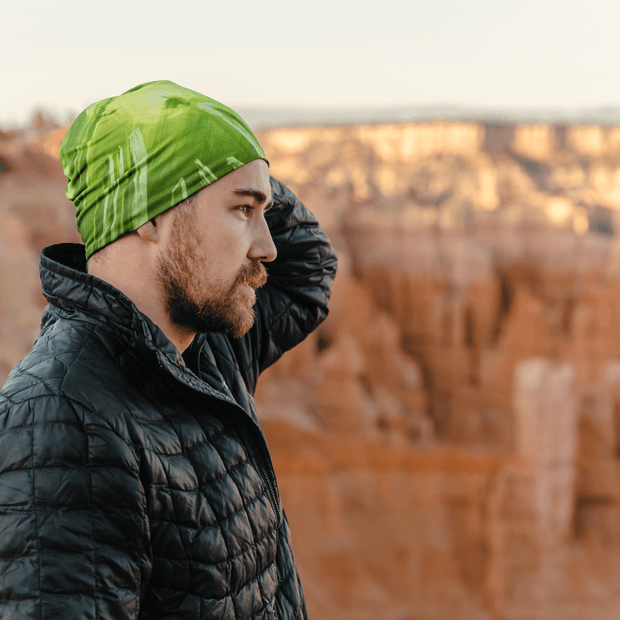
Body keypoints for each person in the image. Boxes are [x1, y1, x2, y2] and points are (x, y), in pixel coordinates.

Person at [0, 80, 337, 620]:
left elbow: (308, 273)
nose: (267, 245)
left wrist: (239, 166)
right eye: (241, 211)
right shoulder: (62, 420)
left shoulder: (205, 349)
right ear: (149, 215)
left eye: (262, 211)